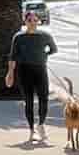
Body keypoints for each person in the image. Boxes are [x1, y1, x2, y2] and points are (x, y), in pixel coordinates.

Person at [5, 9, 57, 142]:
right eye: (29, 20)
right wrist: (10, 73)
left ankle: (41, 125)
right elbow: (13, 56)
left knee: (43, 98)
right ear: (25, 21)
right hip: (24, 71)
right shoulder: (19, 37)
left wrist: (44, 55)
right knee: (28, 101)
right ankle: (31, 130)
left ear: (38, 21)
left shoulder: (44, 35)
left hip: (40, 70)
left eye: (35, 20)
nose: (33, 23)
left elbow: (53, 49)